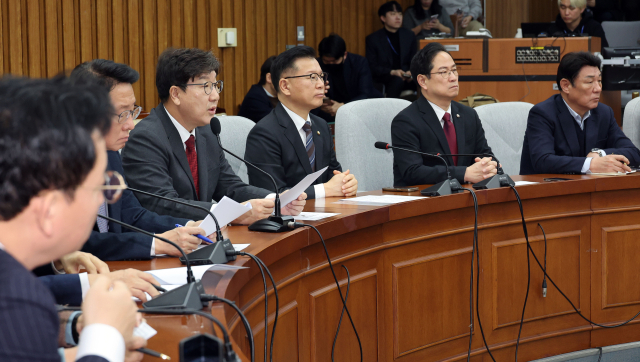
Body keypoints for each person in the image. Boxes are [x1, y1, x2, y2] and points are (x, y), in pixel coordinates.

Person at [0, 76, 144, 362]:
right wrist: (106, 338)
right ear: (50, 208)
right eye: (100, 184)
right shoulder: (16, 300)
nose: (112, 192)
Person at [121, 48, 306, 222]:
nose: (215, 96)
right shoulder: (145, 138)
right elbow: (163, 204)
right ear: (176, 94)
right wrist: (234, 213)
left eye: (216, 85)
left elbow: (229, 186)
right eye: (206, 86)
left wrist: (276, 199)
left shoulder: (205, 132)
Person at [70, 59, 208, 260]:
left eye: (132, 111)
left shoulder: (110, 154)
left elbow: (132, 214)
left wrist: (187, 226)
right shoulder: (54, 165)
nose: (131, 124)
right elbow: (78, 242)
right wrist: (157, 244)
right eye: (122, 113)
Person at [244, 46, 358, 199]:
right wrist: (324, 190)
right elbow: (272, 194)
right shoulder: (264, 133)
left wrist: (346, 183)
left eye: (321, 76)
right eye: (311, 77)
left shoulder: (321, 126)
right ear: (285, 86)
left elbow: (333, 177)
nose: (320, 84)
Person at [391, 42, 497, 187]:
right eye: (443, 72)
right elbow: (412, 172)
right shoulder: (406, 121)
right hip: (423, 202)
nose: (453, 77)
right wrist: (464, 173)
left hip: (465, 199)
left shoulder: (468, 115)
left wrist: (490, 167)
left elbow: (485, 156)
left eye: (454, 70)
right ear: (423, 81)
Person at [520, 52, 640, 175]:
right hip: (544, 189)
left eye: (599, 80)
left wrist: (600, 153)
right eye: (589, 82)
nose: (598, 88)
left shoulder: (604, 113)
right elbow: (543, 161)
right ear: (565, 85)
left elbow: (634, 153)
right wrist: (591, 164)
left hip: (590, 188)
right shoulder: (543, 113)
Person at [316, 34, 380, 119]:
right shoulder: (317, 65)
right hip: (329, 110)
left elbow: (365, 94)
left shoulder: (359, 63)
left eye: (334, 61)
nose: (331, 64)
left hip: (357, 106)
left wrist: (343, 106)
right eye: (327, 61)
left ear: (345, 55)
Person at [366, 1, 417, 98]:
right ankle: (389, 110)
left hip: (407, 76)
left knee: (423, 78)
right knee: (397, 81)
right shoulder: (373, 39)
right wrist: (392, 72)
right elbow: (372, 66)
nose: (398, 17)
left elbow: (414, 59)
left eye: (400, 14)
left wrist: (411, 71)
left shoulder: (409, 35)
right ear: (383, 18)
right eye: (393, 14)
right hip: (387, 76)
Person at [238, 56, 279, 122]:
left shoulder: (282, 95)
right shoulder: (254, 97)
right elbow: (276, 122)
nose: (287, 82)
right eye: (284, 77)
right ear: (269, 78)